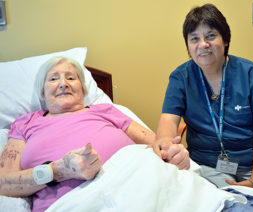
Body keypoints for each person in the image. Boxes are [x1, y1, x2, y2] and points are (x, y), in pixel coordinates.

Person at [152, 4, 253, 206]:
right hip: (204, 166)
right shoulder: (181, 77)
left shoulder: (251, 74)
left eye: (211, 36)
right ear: (188, 45)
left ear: (225, 39)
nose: (203, 44)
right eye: (194, 38)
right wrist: (164, 143)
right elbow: (168, 120)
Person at [0, 56, 160, 211]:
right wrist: (58, 171)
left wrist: (171, 151)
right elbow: (3, 184)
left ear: (83, 89)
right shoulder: (25, 123)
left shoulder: (107, 110)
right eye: (53, 79)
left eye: (70, 78)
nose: (63, 84)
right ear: (42, 91)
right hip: (69, 204)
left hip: (139, 186)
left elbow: (158, 144)